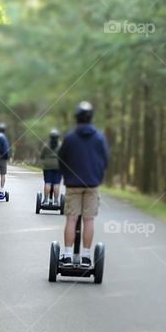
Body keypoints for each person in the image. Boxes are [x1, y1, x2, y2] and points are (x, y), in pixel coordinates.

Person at [57, 101, 109, 266]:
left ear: (77, 118)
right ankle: (86, 256)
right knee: (88, 220)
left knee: (71, 219)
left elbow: (61, 159)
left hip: (73, 184)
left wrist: (67, 176)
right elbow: (105, 160)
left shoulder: (70, 138)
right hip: (92, 184)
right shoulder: (99, 138)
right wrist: (97, 176)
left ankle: (66, 255)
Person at [41, 128, 61, 202]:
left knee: (47, 182)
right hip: (58, 166)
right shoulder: (60, 145)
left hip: (47, 166)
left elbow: (42, 156)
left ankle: (46, 199)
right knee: (56, 183)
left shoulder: (46, 145)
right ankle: (56, 200)